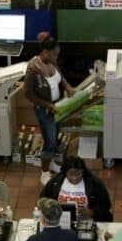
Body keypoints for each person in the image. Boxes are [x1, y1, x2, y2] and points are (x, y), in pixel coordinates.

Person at [24, 32, 75, 186]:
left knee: (55, 138)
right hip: (45, 110)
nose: (56, 58)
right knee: (50, 141)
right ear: (45, 52)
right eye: (54, 55)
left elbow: (60, 77)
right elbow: (28, 94)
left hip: (58, 107)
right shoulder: (33, 70)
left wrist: (67, 86)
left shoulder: (52, 62)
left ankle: (52, 163)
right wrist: (48, 105)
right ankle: (44, 173)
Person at [40, 155, 113, 221]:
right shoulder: (55, 182)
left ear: (83, 172)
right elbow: (43, 199)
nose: (74, 178)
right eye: (71, 174)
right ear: (65, 172)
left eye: (78, 174)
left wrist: (92, 212)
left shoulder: (94, 183)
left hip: (87, 221)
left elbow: (105, 205)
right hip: (60, 220)